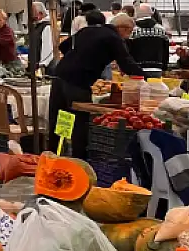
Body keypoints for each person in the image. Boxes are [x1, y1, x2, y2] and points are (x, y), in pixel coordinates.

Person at [53, 13, 143, 156]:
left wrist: (77, 56)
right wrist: (145, 78)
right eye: (130, 32)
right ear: (123, 28)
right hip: (79, 80)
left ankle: (56, 154)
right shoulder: (114, 38)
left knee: (62, 116)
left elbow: (64, 46)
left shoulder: (88, 30)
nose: (129, 36)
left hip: (60, 75)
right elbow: (126, 62)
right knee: (79, 120)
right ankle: (79, 158)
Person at [126, 3, 172, 72]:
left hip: (137, 69)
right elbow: (165, 51)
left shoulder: (133, 30)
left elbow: (128, 51)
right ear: (151, 14)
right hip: (157, 68)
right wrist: (164, 67)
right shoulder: (161, 30)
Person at [30, 2, 56, 70]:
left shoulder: (47, 27)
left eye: (32, 13)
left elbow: (47, 48)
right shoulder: (38, 26)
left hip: (45, 68)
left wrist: (42, 65)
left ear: (40, 14)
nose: (31, 16)